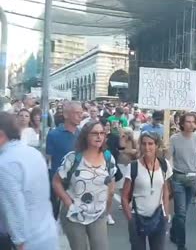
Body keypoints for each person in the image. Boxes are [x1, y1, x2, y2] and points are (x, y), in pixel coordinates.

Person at [52, 121, 117, 250]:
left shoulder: (108, 158)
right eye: (94, 133)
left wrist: (107, 210)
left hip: (98, 214)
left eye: (101, 133)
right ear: (85, 136)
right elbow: (56, 182)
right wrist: (68, 202)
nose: (99, 136)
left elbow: (111, 185)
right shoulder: (73, 158)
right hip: (75, 214)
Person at [0, 112, 59, 250]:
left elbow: (13, 207)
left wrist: (19, 242)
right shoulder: (34, 153)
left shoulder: (5, 164)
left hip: (26, 241)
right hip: (47, 231)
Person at [121, 131, 173, 250]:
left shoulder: (164, 165)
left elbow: (166, 191)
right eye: (144, 144)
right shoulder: (133, 166)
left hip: (158, 217)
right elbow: (124, 196)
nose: (147, 147)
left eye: (150, 144)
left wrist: (166, 213)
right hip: (137, 217)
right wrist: (130, 219)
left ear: (156, 145)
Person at [169, 113, 196, 250]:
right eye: (188, 122)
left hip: (192, 178)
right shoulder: (174, 138)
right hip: (178, 177)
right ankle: (181, 244)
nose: (191, 124)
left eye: (193, 122)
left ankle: (174, 231)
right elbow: (169, 157)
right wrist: (169, 172)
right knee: (181, 213)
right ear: (182, 124)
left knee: (181, 212)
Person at [46, 101, 82, 218]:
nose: (80, 116)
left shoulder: (83, 134)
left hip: (79, 183)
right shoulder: (53, 134)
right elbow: (49, 160)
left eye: (81, 113)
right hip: (59, 183)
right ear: (66, 115)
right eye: (76, 113)